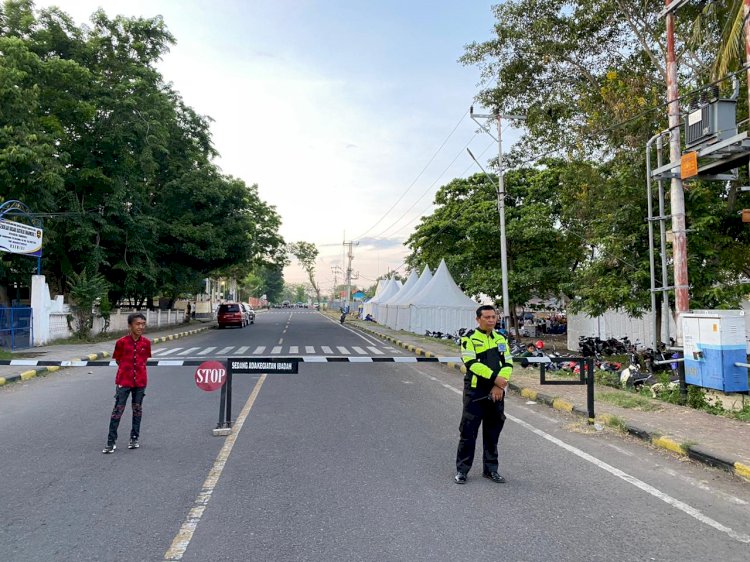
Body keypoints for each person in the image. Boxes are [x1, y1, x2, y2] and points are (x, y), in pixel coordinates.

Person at [454, 305, 513, 484]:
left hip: (496, 392)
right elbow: (471, 363)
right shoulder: (469, 338)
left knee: (492, 432)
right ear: (478, 319)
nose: (491, 320)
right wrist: (495, 379)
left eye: (493, 317)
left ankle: (491, 470)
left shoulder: (501, 338)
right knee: (468, 432)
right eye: (487, 317)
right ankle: (462, 470)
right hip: (475, 392)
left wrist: (499, 386)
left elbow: (508, 362)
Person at [103, 313, 152, 454]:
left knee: (137, 410)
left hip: (141, 382)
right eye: (137, 324)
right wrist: (127, 370)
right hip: (124, 381)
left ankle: (134, 438)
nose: (141, 327)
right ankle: (111, 442)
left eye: (143, 324)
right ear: (130, 325)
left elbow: (144, 360)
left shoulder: (146, 343)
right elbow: (118, 360)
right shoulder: (121, 343)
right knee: (118, 410)